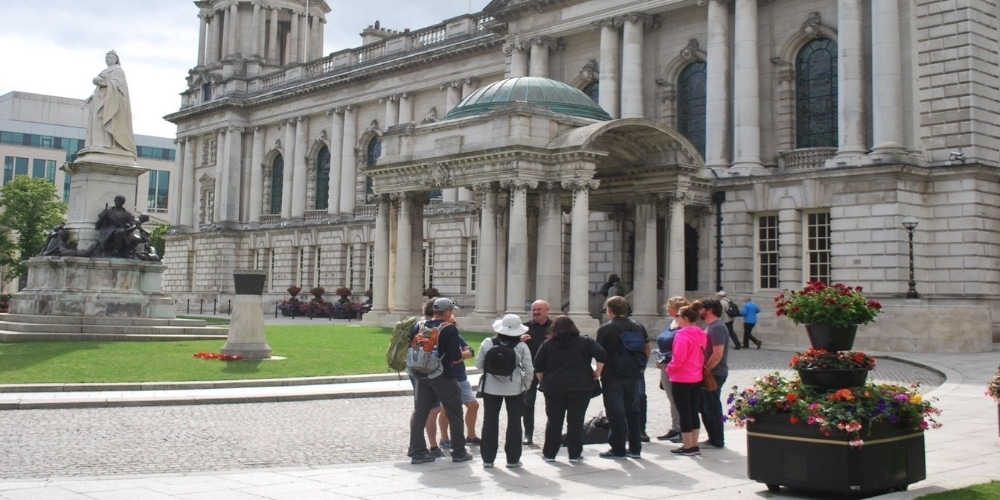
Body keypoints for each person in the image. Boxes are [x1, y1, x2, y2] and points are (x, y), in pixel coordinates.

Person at [407, 297, 473, 464]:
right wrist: (467, 353)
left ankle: (417, 452)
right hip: (442, 375)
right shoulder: (449, 329)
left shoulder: (419, 325)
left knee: (420, 413)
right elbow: (454, 356)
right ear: (448, 311)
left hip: (421, 373)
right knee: (455, 413)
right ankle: (458, 452)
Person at [533, 316, 607, 462]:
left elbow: (538, 365)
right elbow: (602, 354)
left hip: (554, 386)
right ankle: (574, 453)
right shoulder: (585, 342)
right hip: (580, 386)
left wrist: (543, 380)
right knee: (576, 421)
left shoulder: (547, 344)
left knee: (554, 420)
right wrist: (598, 371)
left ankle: (549, 453)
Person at [475, 314, 534, 469]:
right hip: (514, 388)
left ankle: (488, 458)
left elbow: (479, 364)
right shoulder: (521, 346)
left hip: (490, 388)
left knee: (490, 422)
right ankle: (513, 459)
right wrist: (526, 385)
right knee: (514, 423)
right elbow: (529, 369)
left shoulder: (488, 342)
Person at [595, 295, 650, 459]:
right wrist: (641, 367)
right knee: (633, 411)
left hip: (612, 375)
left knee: (615, 412)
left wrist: (597, 372)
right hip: (634, 374)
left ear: (609, 310)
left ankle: (618, 448)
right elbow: (647, 348)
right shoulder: (637, 326)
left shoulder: (605, 329)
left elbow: (600, 354)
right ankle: (635, 448)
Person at [666, 305, 706, 456]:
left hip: (682, 377)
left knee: (684, 412)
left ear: (685, 319)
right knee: (693, 411)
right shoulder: (701, 333)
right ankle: (694, 444)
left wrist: (670, 368)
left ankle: (688, 445)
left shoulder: (682, 335)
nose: (676, 319)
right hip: (697, 375)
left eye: (678, 316)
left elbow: (679, 358)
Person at [407, 300, 445, 459]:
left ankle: (419, 446)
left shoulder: (418, 325)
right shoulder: (435, 327)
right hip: (427, 370)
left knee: (423, 409)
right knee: (427, 409)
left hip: (415, 368)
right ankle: (421, 447)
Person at [695, 297, 731, 449]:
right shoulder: (712, 326)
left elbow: (717, 353)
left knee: (712, 407)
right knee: (705, 406)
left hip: (715, 372)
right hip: (712, 371)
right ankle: (713, 437)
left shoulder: (717, 327)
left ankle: (717, 439)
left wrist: (706, 369)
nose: (699, 311)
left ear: (709, 310)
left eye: (702, 308)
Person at [85, 50, 136, 154]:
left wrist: (104, 84)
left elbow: (119, 86)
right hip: (100, 99)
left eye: (110, 57)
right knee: (97, 122)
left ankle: (107, 143)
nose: (108, 59)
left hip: (110, 101)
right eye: (106, 57)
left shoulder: (118, 71)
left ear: (116, 59)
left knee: (107, 120)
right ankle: (98, 143)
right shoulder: (104, 71)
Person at [655, 296, 690, 443]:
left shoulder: (684, 324)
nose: (666, 308)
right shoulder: (672, 322)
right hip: (665, 364)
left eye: (669, 306)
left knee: (679, 400)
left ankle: (683, 430)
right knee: (672, 399)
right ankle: (675, 427)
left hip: (677, 366)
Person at [436, 334, 482, 448]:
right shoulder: (438, 336)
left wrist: (458, 356)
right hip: (447, 378)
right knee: (446, 408)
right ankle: (444, 438)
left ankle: (471, 436)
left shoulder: (456, 336)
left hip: (461, 377)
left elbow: (470, 351)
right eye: (453, 323)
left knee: (473, 405)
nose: (456, 325)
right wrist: (457, 356)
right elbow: (441, 357)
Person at [519, 299, 551, 446]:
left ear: (547, 310)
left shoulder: (555, 327)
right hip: (529, 370)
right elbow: (513, 347)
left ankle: (552, 433)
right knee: (527, 403)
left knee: (552, 404)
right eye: (534, 310)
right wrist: (520, 341)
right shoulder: (524, 328)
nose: (536, 312)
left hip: (550, 371)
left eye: (540, 309)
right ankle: (528, 433)